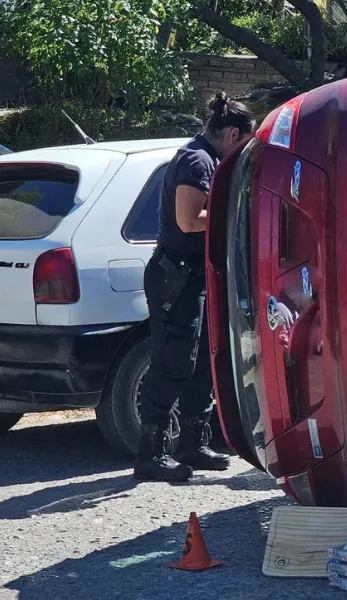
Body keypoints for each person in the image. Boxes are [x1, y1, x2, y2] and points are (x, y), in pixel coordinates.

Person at [135, 92, 256, 482]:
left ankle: (193, 442)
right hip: (176, 277)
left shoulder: (208, 158)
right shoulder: (196, 160)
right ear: (233, 134)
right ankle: (151, 451)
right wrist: (236, 211)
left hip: (197, 276)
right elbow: (189, 220)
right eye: (245, 144)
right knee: (173, 361)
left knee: (204, 360)